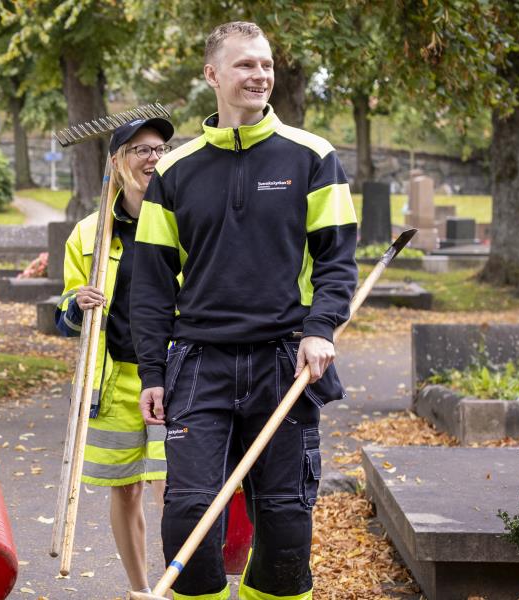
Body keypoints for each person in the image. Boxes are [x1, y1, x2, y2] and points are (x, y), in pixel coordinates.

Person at [128, 21, 358, 600]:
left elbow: (337, 260)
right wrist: (152, 373)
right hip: (198, 364)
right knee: (187, 515)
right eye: (244, 65)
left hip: (285, 362)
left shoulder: (313, 156)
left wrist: (321, 328)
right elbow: (152, 286)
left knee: (284, 526)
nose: (260, 75)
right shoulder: (174, 173)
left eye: (265, 64)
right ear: (212, 75)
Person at [55, 116, 175, 597]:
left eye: (161, 149)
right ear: (117, 162)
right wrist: (76, 305)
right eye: (140, 149)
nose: (152, 158)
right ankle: (141, 590)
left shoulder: (181, 222)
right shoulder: (90, 234)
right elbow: (66, 318)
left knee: (175, 491)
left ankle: (178, 586)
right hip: (111, 381)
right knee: (125, 489)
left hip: (171, 375)